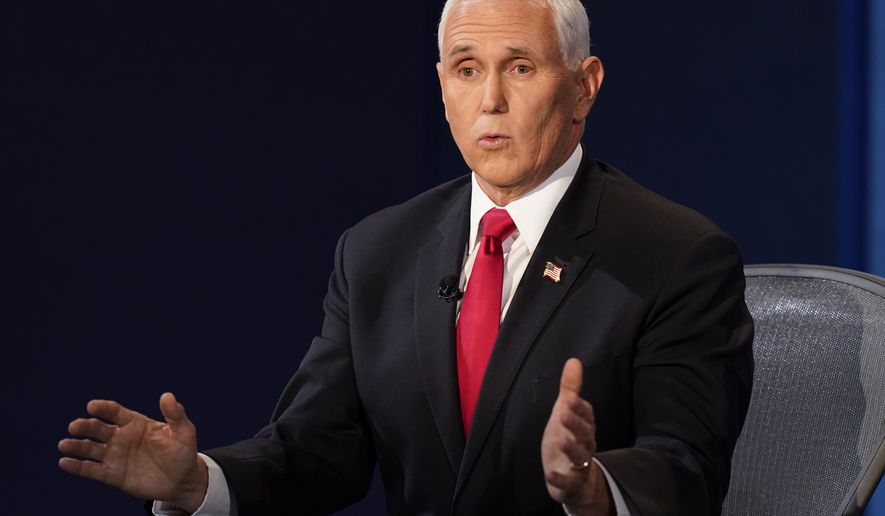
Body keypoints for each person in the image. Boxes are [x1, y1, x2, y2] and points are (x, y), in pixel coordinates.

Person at [58, 0, 754, 514]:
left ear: (582, 86)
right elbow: (314, 452)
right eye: (466, 69)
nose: (491, 100)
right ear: (442, 87)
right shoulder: (378, 252)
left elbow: (686, 465)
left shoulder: (674, 253)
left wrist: (594, 488)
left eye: (519, 67)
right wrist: (198, 482)